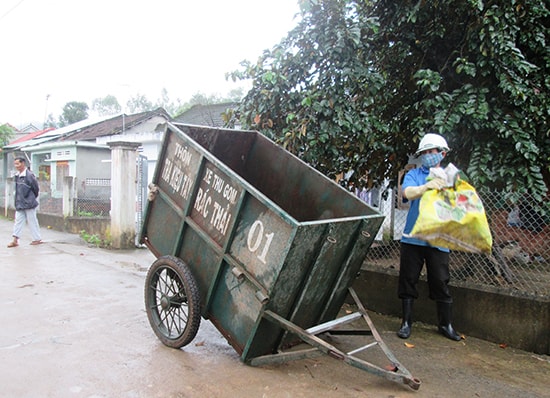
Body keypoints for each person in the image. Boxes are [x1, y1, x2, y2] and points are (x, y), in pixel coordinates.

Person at [397, 133, 461, 341]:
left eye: (431, 152)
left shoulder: (451, 176)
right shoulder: (415, 174)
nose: (427, 156)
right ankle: (406, 323)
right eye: (424, 153)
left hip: (438, 240)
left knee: (441, 282)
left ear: (442, 154)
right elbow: (406, 193)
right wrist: (426, 187)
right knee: (408, 281)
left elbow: (457, 205)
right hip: (412, 238)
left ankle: (446, 325)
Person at [7, 157, 42, 247]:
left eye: (18, 164)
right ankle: (15, 240)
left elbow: (36, 189)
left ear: (23, 163)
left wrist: (30, 198)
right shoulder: (17, 176)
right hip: (20, 203)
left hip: (29, 203)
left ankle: (37, 239)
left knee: (32, 221)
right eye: (15, 164)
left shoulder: (29, 175)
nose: (16, 166)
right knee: (18, 221)